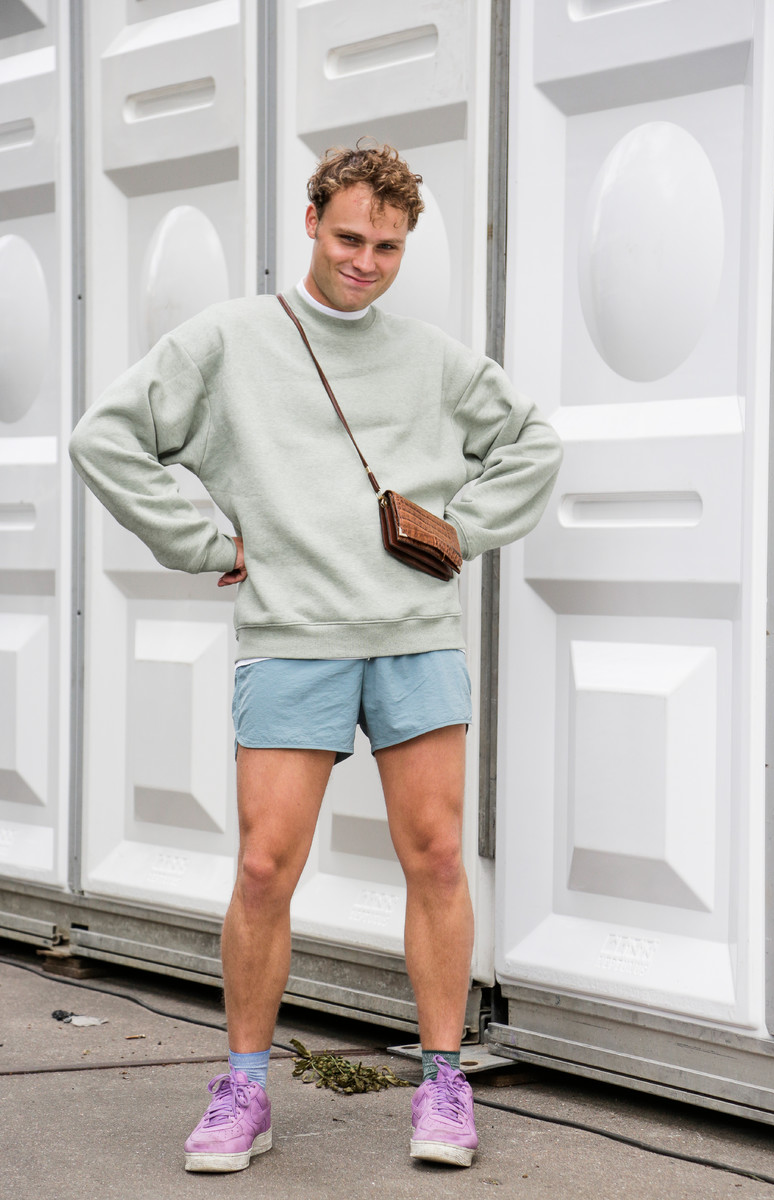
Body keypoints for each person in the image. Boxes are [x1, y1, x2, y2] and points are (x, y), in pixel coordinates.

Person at [69, 143, 563, 1173]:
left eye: (387, 247)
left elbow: (532, 445)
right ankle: (243, 1088)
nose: (364, 263)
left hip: (414, 637)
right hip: (292, 639)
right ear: (309, 222)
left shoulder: (431, 359)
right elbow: (104, 439)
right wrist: (204, 545)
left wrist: (459, 532)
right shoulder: (228, 341)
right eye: (348, 238)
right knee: (263, 867)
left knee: (436, 857)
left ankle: (442, 1083)